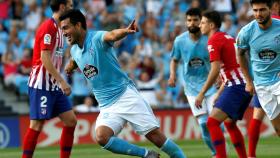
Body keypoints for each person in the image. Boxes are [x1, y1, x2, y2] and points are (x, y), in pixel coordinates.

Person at [60, 9, 186, 158]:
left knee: (155, 137)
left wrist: (126, 31)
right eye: (62, 29)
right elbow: (77, 59)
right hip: (107, 105)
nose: (64, 32)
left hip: (125, 96)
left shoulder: (96, 38)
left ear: (78, 25)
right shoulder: (74, 49)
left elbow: (111, 35)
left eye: (66, 28)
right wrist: (70, 66)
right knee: (102, 137)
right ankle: (147, 155)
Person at [21, 1, 77, 158]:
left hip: (53, 85)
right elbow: (44, 58)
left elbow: (55, 56)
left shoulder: (61, 28)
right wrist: (61, 80)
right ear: (62, 6)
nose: (72, 8)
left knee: (71, 121)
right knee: (37, 125)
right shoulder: (48, 27)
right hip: (41, 84)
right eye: (70, 5)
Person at [196, 10, 252, 158]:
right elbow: (232, 67)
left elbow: (215, 69)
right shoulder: (228, 37)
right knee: (229, 124)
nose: (200, 25)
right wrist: (220, 93)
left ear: (211, 25)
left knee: (212, 123)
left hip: (237, 86)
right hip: (243, 85)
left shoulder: (213, 40)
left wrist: (202, 93)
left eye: (202, 22)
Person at [168, 8, 217, 157]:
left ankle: (220, 149)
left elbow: (217, 60)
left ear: (201, 21)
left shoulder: (209, 38)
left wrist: (220, 76)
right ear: (185, 22)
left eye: (195, 20)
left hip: (211, 86)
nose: (192, 23)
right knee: (203, 124)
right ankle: (216, 152)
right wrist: (172, 75)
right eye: (189, 20)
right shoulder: (180, 40)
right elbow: (174, 60)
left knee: (215, 120)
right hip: (191, 89)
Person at [237, 0, 280, 140]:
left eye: (262, 10)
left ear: (270, 9)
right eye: (255, 10)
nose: (258, 14)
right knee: (278, 129)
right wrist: (249, 81)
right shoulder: (246, 32)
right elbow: (240, 54)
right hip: (261, 85)